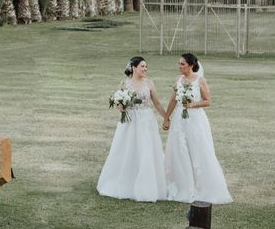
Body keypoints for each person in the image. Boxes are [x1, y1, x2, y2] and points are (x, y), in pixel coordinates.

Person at [97, 56, 169, 202]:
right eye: (142, 66)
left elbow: (157, 103)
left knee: (146, 149)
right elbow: (118, 103)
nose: (145, 69)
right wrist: (121, 107)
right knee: (127, 149)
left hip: (146, 120)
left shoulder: (149, 83)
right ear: (134, 68)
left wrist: (166, 117)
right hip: (129, 121)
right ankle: (126, 182)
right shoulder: (124, 83)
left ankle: (147, 184)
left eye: (146, 67)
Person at [162, 53, 232, 204]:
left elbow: (208, 101)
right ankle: (182, 185)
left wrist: (194, 104)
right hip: (180, 119)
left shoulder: (200, 80)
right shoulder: (178, 80)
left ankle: (202, 186)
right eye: (179, 64)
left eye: (182, 64)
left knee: (198, 150)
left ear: (191, 65)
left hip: (196, 120)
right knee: (179, 150)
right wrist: (167, 117)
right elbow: (173, 100)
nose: (179, 66)